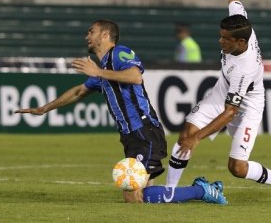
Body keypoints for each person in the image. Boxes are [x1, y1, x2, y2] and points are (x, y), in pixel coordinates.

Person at [15, 19, 226, 204]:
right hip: (131, 135)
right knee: (140, 194)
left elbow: (135, 76)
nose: (87, 36)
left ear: (105, 34)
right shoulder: (104, 67)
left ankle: (202, 190)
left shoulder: (119, 52)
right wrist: (45, 108)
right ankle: (199, 190)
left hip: (143, 131)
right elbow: (80, 91)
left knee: (132, 196)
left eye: (91, 31)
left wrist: (98, 72)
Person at [165, 0, 271, 204]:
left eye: (224, 40)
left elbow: (229, 113)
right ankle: (169, 192)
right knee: (186, 134)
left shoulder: (245, 67)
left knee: (237, 167)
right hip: (223, 90)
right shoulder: (240, 23)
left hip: (247, 104)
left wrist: (199, 138)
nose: (220, 41)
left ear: (239, 42)